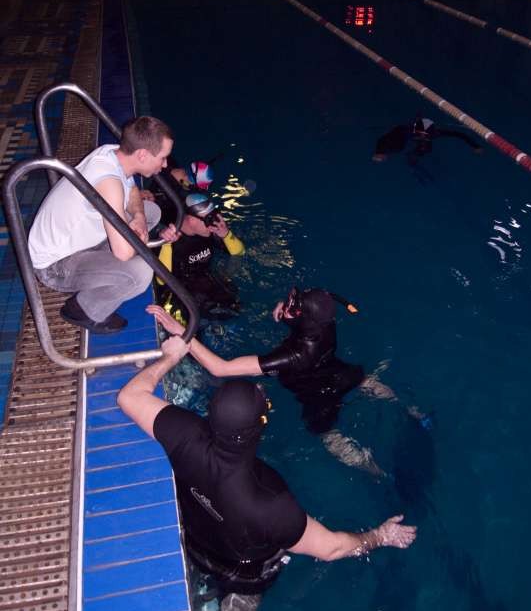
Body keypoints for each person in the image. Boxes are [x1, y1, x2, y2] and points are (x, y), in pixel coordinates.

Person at [117, 335, 417, 611]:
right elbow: (332, 548)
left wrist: (169, 358)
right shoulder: (271, 502)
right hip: (242, 572)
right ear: (259, 428)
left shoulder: (183, 433)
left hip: (192, 542)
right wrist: (379, 536)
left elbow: (129, 396)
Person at [148, 287, 388, 475]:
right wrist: (286, 310)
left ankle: (375, 470)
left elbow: (220, 368)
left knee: (327, 435)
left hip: (316, 394)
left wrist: (182, 331)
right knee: (366, 381)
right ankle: (413, 410)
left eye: (295, 308)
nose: (290, 306)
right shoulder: (326, 321)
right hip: (336, 369)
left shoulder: (295, 355)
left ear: (305, 320)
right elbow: (306, 313)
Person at [28, 116, 179, 334]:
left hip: (77, 241)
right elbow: (125, 253)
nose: (165, 164)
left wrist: (138, 217)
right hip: (55, 265)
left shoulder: (113, 154)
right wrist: (140, 237)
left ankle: (105, 268)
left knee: (150, 211)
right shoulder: (108, 183)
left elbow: (133, 191)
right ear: (143, 155)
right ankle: (83, 309)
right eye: (163, 158)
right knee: (141, 272)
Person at [157, 192, 245, 323]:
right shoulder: (168, 238)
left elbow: (239, 253)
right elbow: (161, 281)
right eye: (208, 219)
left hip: (204, 280)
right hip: (178, 290)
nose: (213, 224)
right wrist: (166, 244)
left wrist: (226, 234)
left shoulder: (209, 231)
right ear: (191, 220)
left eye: (214, 216)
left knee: (235, 309)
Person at [373, 115, 483, 164]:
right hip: (402, 133)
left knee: (426, 148)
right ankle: (412, 154)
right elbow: (383, 139)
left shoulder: (434, 134)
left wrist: (475, 146)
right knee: (398, 146)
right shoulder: (406, 131)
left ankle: (414, 155)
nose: (422, 136)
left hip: (414, 134)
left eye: (424, 134)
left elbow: (459, 134)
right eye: (419, 133)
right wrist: (379, 152)